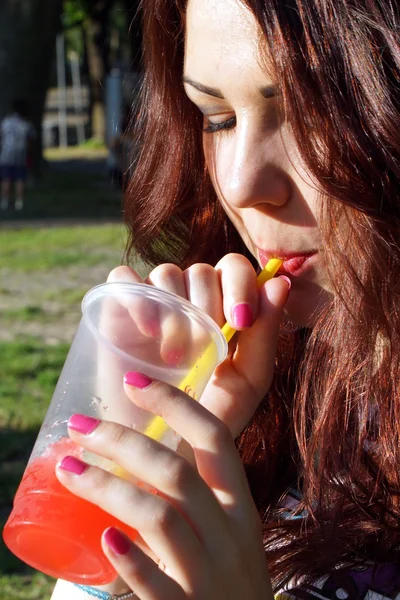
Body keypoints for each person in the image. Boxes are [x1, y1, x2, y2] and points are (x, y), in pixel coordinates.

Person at [50, 0, 400, 597]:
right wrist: (154, 454)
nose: (240, 183)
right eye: (216, 117)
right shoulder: (266, 381)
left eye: (311, 113)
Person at [0, 99, 35, 211]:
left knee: (6, 178)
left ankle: (5, 201)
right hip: (20, 153)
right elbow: (30, 140)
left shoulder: (6, 122)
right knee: (20, 178)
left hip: (6, 153)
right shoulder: (26, 124)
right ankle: (19, 203)